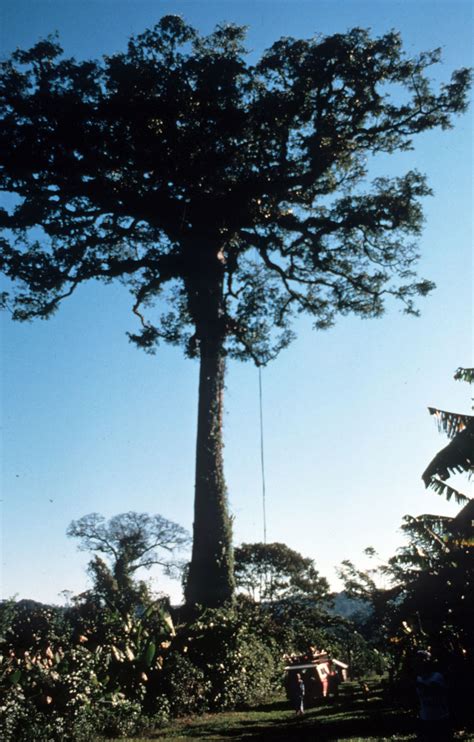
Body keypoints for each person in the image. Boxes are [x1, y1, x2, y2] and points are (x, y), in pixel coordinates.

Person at [415, 650, 452, 742]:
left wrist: (426, 687)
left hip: (440, 718)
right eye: (417, 661)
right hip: (425, 718)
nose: (419, 664)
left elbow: (442, 693)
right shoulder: (418, 678)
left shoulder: (437, 677)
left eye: (421, 661)